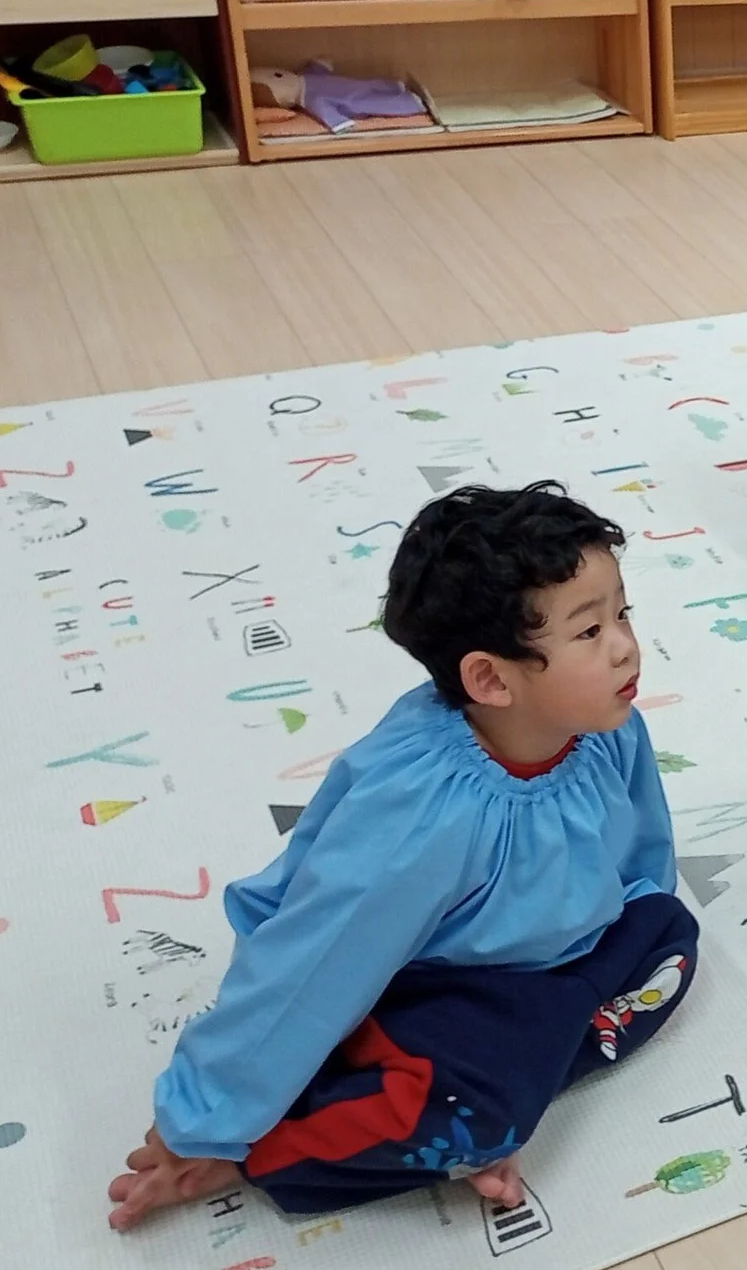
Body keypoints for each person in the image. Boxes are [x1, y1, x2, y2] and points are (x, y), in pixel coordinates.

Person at [106, 484, 694, 1227]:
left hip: (552, 961)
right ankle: (277, 1146)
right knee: (478, 1118)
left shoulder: (607, 724)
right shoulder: (423, 818)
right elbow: (313, 963)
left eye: (623, 613)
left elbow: (640, 850)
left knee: (671, 936)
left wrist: (634, 920)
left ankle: (519, 1068)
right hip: (430, 980)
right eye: (589, 631)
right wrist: (203, 1118)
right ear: (490, 678)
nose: (625, 645)